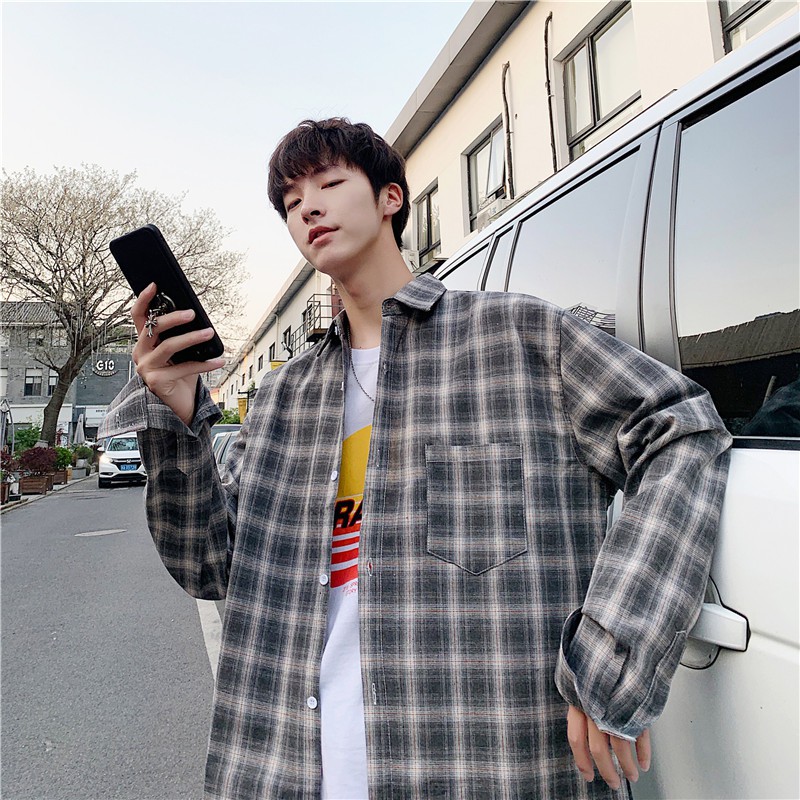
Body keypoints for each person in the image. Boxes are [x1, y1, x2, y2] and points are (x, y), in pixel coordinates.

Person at [100, 118, 731, 800]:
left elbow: (682, 428)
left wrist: (612, 656)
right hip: (289, 765)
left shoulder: (518, 337)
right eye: (290, 202)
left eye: (329, 184)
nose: (307, 208)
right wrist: (178, 418)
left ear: (390, 198)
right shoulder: (284, 395)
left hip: (482, 765)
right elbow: (210, 564)